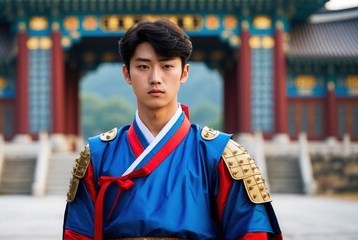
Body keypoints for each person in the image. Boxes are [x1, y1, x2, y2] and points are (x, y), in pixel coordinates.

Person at [63, 19, 283, 240]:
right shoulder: (98, 155)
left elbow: (252, 234)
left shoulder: (222, 155)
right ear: (127, 74)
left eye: (167, 66)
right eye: (143, 66)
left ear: (184, 73)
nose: (155, 78)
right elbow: (76, 234)